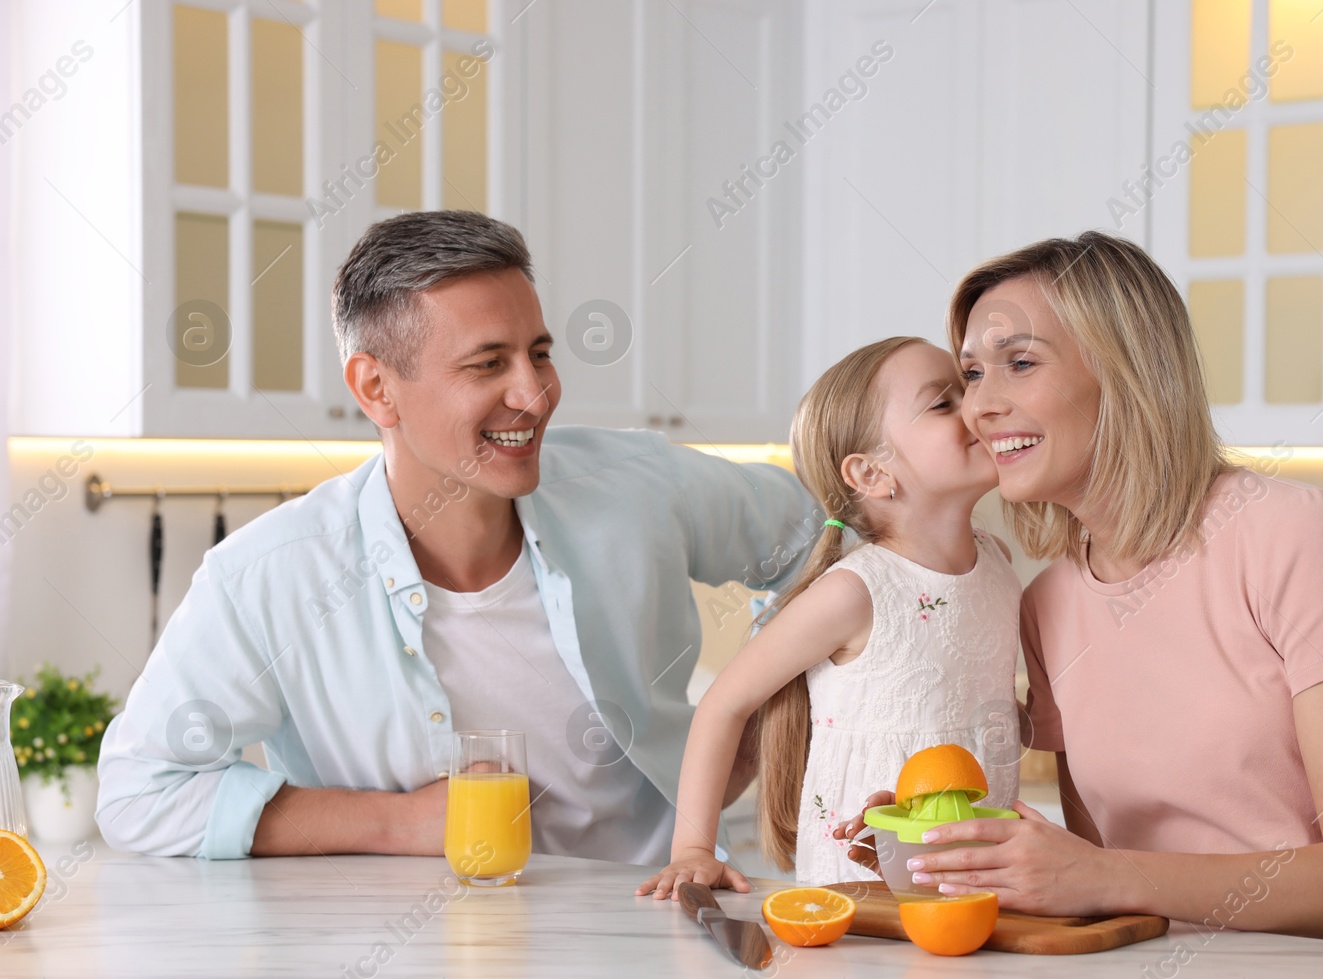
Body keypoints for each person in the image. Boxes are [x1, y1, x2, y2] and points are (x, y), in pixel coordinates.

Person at [96, 210, 816, 862]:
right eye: (487, 363)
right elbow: (138, 791)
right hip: (417, 963)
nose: (534, 395)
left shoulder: (637, 484)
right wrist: (401, 821)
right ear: (376, 388)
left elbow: (822, 535)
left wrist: (751, 724)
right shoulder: (271, 576)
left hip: (654, 923)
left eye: (539, 352)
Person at [839, 233, 1323, 949]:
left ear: (1128, 371)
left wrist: (1098, 875)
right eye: (970, 375)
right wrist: (952, 852)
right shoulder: (1048, 604)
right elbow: (1101, 880)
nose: (978, 407)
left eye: (1019, 363)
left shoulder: (1294, 535)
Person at [637, 336, 1023, 900]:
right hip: (858, 886)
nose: (973, 406)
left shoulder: (998, 564)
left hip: (974, 869)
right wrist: (693, 849)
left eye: (964, 387)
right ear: (870, 474)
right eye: (942, 402)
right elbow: (725, 704)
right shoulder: (855, 593)